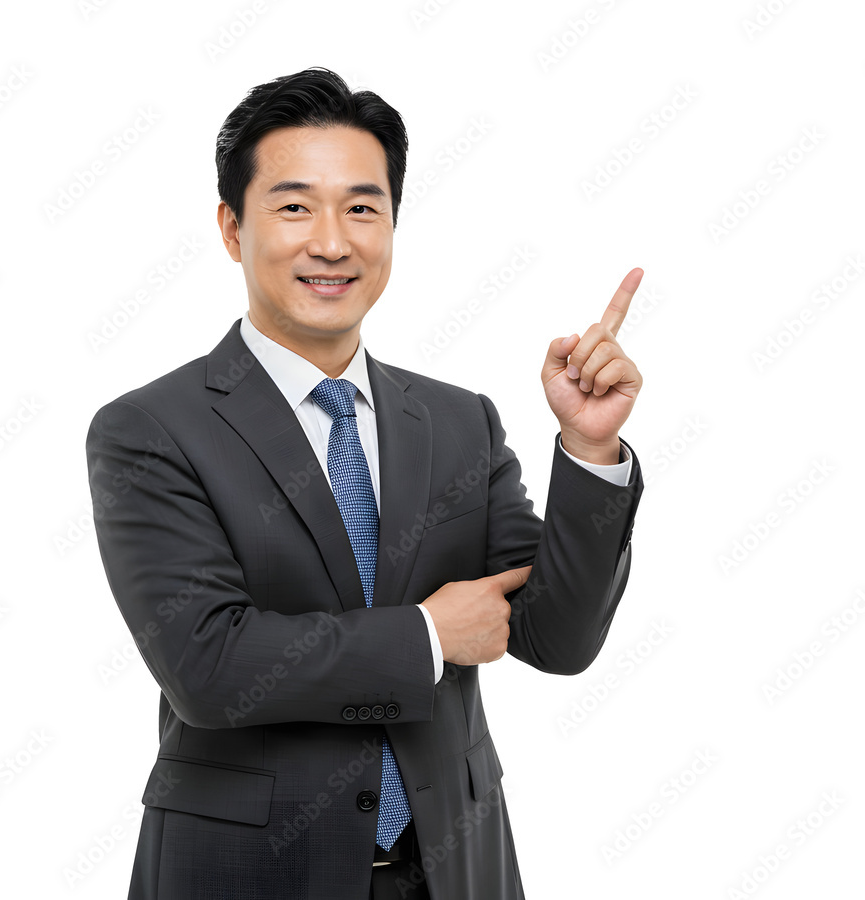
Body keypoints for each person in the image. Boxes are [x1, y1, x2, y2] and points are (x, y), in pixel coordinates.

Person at [86, 66, 644, 900]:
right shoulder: (151, 429)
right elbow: (208, 667)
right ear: (232, 228)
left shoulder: (460, 421)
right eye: (294, 207)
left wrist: (589, 448)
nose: (332, 242)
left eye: (361, 208)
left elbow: (555, 638)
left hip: (455, 871)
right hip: (250, 877)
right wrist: (426, 636)